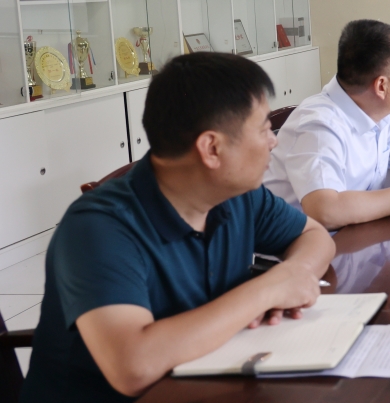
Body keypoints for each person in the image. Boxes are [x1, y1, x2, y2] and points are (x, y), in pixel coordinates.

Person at [19, 53, 336, 403]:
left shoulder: (237, 195)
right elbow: (132, 367)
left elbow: (314, 236)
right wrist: (267, 291)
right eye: (263, 129)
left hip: (205, 382)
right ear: (211, 148)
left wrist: (294, 274)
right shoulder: (97, 228)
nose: (273, 141)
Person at [264, 19, 390, 230]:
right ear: (381, 86)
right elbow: (325, 210)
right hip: (304, 245)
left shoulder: (380, 111)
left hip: (359, 234)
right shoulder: (319, 125)